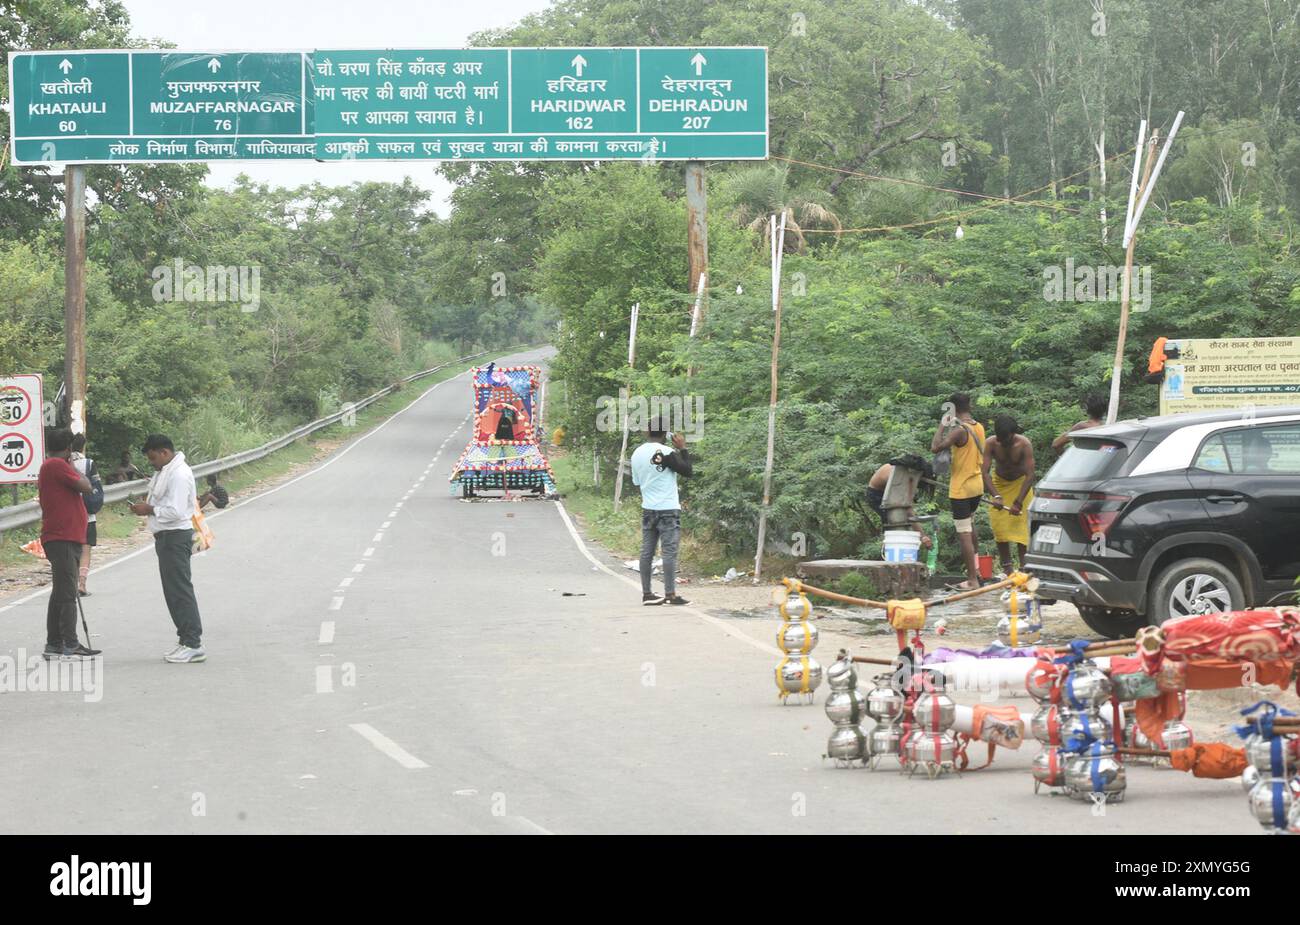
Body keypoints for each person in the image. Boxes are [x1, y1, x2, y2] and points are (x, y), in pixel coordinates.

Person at [128, 434, 206, 663]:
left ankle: (194, 643)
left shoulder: (179, 475)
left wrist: (149, 509)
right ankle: (185, 640)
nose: (151, 463)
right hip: (165, 537)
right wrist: (148, 506)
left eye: (153, 458)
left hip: (176, 537)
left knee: (180, 591)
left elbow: (177, 511)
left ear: (164, 452)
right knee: (172, 592)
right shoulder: (165, 472)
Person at [37, 428, 100, 660]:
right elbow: (86, 486)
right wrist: (73, 466)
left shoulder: (51, 466)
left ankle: (54, 643)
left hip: (65, 536)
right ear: (68, 448)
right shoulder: (58, 466)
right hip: (62, 537)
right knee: (67, 594)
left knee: (61, 592)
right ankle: (70, 643)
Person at [631, 421, 693, 606]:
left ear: (647, 430)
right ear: (666, 433)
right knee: (669, 552)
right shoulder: (667, 453)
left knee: (646, 551)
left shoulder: (636, 454)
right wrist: (682, 449)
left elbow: (636, 482)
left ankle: (647, 593)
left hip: (648, 508)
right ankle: (670, 594)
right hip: (668, 509)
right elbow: (688, 471)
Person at [931, 393, 986, 590]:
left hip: (961, 488)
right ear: (969, 405)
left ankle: (972, 579)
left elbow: (935, 447)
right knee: (970, 526)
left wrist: (942, 424)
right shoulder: (978, 426)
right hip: (977, 485)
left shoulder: (959, 431)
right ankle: (977, 570)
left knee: (963, 533)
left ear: (952, 409)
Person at [982, 414, 1036, 576]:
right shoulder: (991, 443)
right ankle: (1007, 569)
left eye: (1005, 438)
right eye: (999, 438)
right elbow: (984, 472)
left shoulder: (1024, 444)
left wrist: (1018, 502)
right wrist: (996, 496)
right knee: (1000, 527)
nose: (1002, 442)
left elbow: (1030, 475)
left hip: (1021, 485)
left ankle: (1024, 568)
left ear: (1013, 434)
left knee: (1021, 529)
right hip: (1000, 485)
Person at [866, 458, 933, 549]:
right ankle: (889, 553)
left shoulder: (903, 470)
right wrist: (923, 536)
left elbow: (907, 505)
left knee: (898, 523)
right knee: (893, 523)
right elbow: (907, 509)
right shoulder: (898, 476)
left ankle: (891, 550)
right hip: (875, 495)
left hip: (883, 492)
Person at [69, 432, 100, 596]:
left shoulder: (60, 463)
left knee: (72, 551)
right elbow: (96, 487)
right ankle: (82, 584)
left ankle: (71, 584)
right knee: (85, 550)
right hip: (87, 514)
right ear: (83, 446)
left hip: (69, 515)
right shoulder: (89, 463)